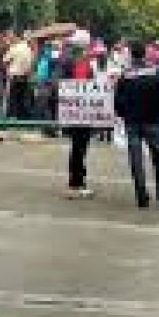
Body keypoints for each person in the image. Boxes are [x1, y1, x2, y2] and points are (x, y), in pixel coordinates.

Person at [114, 41, 159, 209]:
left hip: (132, 122)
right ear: (144, 54)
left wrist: (125, 114)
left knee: (136, 160)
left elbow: (118, 100)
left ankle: (141, 196)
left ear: (132, 54)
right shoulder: (156, 73)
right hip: (153, 122)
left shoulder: (126, 75)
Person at [59, 40, 96, 199]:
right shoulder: (81, 66)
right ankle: (77, 183)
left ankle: (77, 181)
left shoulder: (69, 65)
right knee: (79, 147)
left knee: (77, 147)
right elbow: (88, 89)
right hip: (81, 113)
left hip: (74, 113)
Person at [3, 34, 33, 120]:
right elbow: (30, 64)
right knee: (22, 97)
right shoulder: (28, 49)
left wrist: (8, 68)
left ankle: (12, 116)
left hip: (14, 75)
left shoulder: (14, 48)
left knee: (12, 97)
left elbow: (4, 61)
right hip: (24, 76)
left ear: (17, 38)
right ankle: (21, 116)